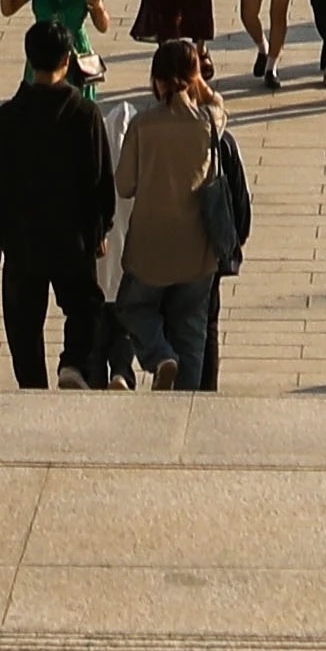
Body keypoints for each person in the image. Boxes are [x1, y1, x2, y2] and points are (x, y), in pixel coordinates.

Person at [0, 25, 119, 389]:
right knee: (85, 307)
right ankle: (72, 362)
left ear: (29, 60)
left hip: (22, 240)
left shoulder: (8, 116)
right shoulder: (84, 114)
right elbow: (101, 179)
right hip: (72, 238)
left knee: (23, 323)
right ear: (68, 60)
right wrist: (100, 228)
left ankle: (32, 388)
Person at [117, 38, 237, 391]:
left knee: (132, 308)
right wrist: (200, 83)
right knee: (192, 328)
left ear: (156, 79)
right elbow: (217, 103)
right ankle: (186, 402)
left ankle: (158, 355)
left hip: (150, 248)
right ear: (194, 77)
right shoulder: (209, 122)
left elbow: (124, 185)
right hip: (198, 250)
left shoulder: (142, 125)